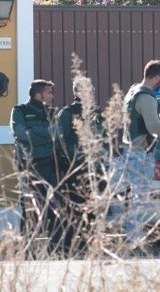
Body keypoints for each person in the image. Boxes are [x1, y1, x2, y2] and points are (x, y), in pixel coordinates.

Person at [115, 60, 160, 250]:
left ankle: (128, 238)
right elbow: (155, 127)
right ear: (157, 77)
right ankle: (134, 242)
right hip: (141, 154)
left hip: (127, 151)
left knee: (125, 198)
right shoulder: (146, 98)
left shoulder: (132, 92)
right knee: (139, 201)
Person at [53, 76, 104, 256]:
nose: (89, 93)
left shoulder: (95, 113)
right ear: (75, 92)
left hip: (95, 169)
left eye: (90, 90)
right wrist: (73, 161)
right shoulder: (66, 113)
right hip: (74, 170)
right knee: (73, 209)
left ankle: (90, 246)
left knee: (93, 209)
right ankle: (70, 248)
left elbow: (103, 139)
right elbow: (60, 141)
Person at [10, 79, 57, 257]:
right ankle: (27, 251)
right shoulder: (19, 111)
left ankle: (53, 250)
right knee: (29, 208)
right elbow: (20, 133)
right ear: (39, 95)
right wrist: (43, 132)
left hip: (49, 164)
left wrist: (34, 130)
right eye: (49, 92)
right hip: (27, 165)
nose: (52, 96)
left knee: (52, 208)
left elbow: (55, 133)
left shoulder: (52, 112)